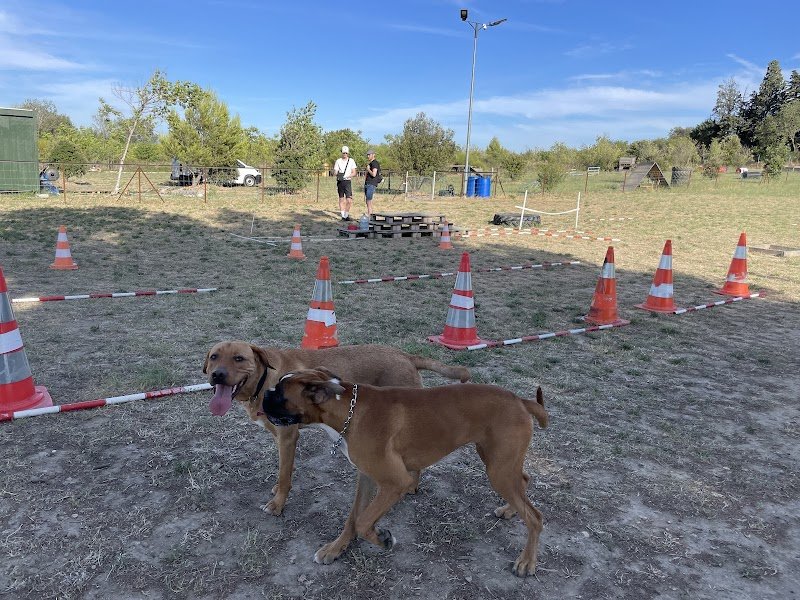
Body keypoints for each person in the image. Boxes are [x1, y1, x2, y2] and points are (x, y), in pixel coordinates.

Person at [333, 146, 357, 221]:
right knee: (341, 198)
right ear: (341, 153)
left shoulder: (351, 161)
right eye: (343, 153)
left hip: (347, 181)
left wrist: (348, 175)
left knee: (349, 200)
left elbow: (354, 172)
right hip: (340, 181)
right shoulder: (338, 161)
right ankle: (343, 215)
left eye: (346, 153)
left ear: (348, 153)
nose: (345, 154)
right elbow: (335, 172)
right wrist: (336, 173)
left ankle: (346, 214)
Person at [364, 149, 381, 216]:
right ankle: (369, 214)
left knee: (369, 200)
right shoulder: (371, 163)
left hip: (371, 184)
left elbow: (374, 174)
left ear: (373, 155)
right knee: (368, 201)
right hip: (368, 183)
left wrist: (368, 169)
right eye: (367, 155)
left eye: (369, 155)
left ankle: (370, 215)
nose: (368, 156)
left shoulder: (374, 163)